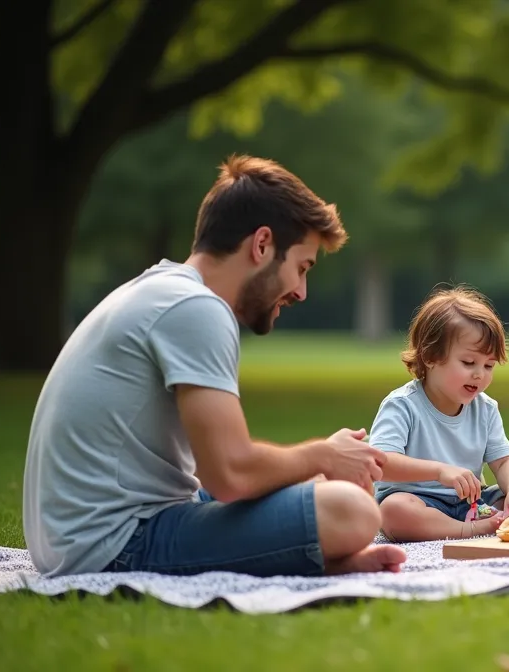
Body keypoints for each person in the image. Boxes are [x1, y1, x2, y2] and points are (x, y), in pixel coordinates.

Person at [21, 155, 407, 578]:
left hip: (87, 537)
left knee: (321, 490)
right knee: (352, 510)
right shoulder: (196, 308)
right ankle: (323, 550)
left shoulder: (164, 289)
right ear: (262, 245)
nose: (301, 292)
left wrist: (323, 465)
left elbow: (217, 471)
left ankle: (324, 560)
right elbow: (230, 474)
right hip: (114, 544)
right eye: (301, 267)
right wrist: (322, 454)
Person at [369, 286, 509, 541]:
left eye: (489, 365)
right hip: (419, 502)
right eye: (468, 363)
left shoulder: (485, 408)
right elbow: (382, 464)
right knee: (394, 510)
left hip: (473, 504)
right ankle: (473, 530)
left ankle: (485, 522)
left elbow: (503, 462)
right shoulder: (403, 405)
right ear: (430, 356)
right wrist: (439, 471)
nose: (480, 374)